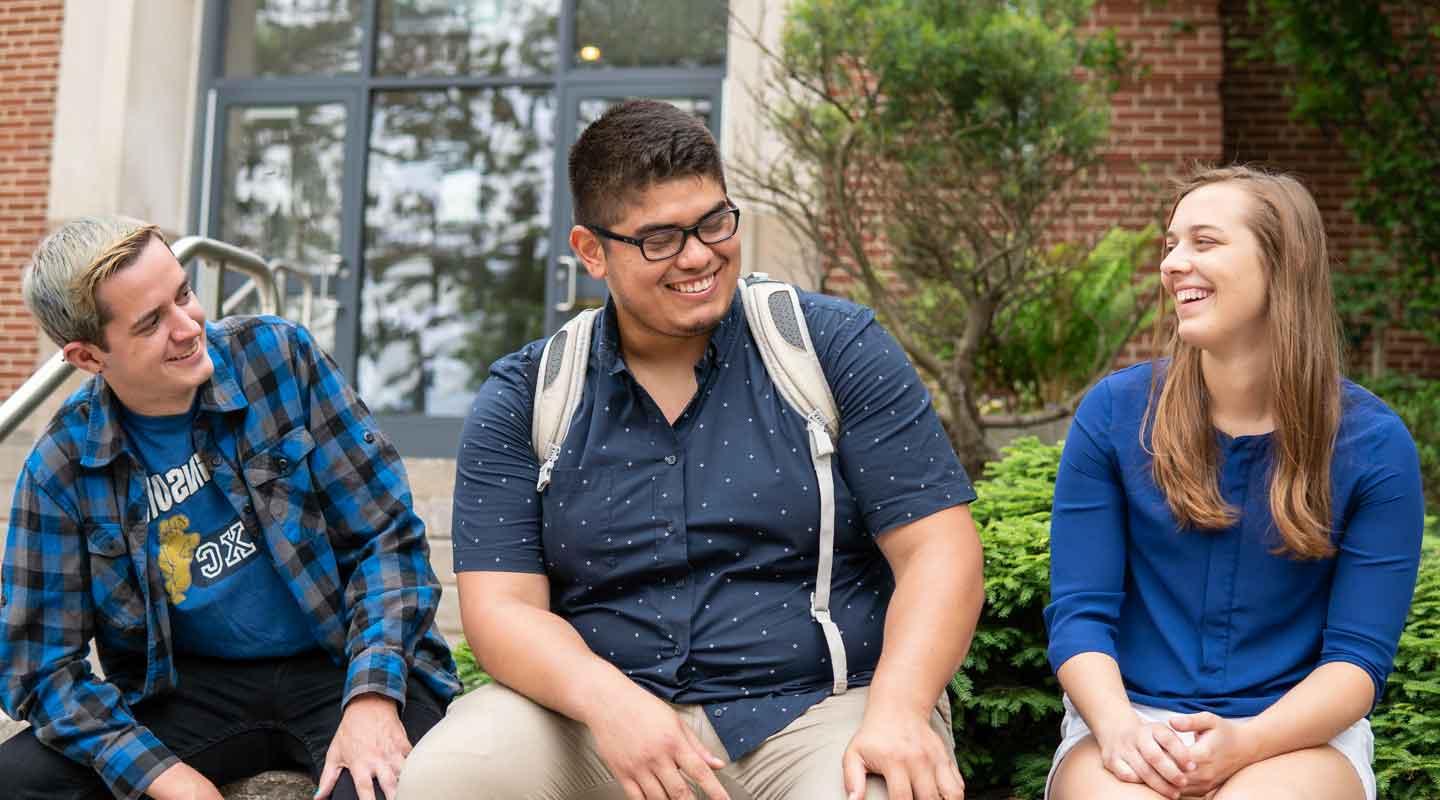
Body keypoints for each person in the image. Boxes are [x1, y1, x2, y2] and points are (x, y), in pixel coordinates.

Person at [398, 99, 985, 800]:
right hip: (595, 723)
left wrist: (900, 710)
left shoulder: (833, 347)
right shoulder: (527, 394)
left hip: (820, 709)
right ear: (592, 252)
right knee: (451, 778)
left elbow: (939, 552)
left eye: (713, 222)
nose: (700, 255)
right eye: (660, 239)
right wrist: (608, 702)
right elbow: (502, 610)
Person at [0, 217, 461, 800]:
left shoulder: (278, 359)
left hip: (340, 657)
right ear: (89, 357)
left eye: (184, 294)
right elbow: (41, 668)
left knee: (388, 784)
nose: (188, 326)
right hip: (186, 692)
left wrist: (372, 696)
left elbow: (386, 538)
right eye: (151, 323)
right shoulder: (61, 465)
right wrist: (165, 777)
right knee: (16, 781)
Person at [1043, 165, 1425, 800]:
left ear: (1281, 265)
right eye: (1170, 245)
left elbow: (1356, 663)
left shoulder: (1375, 445)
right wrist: (1117, 728)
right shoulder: (1113, 415)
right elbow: (1080, 617)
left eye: (1205, 242)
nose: (1173, 264)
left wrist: (1246, 744)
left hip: (1294, 737)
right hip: (1126, 723)